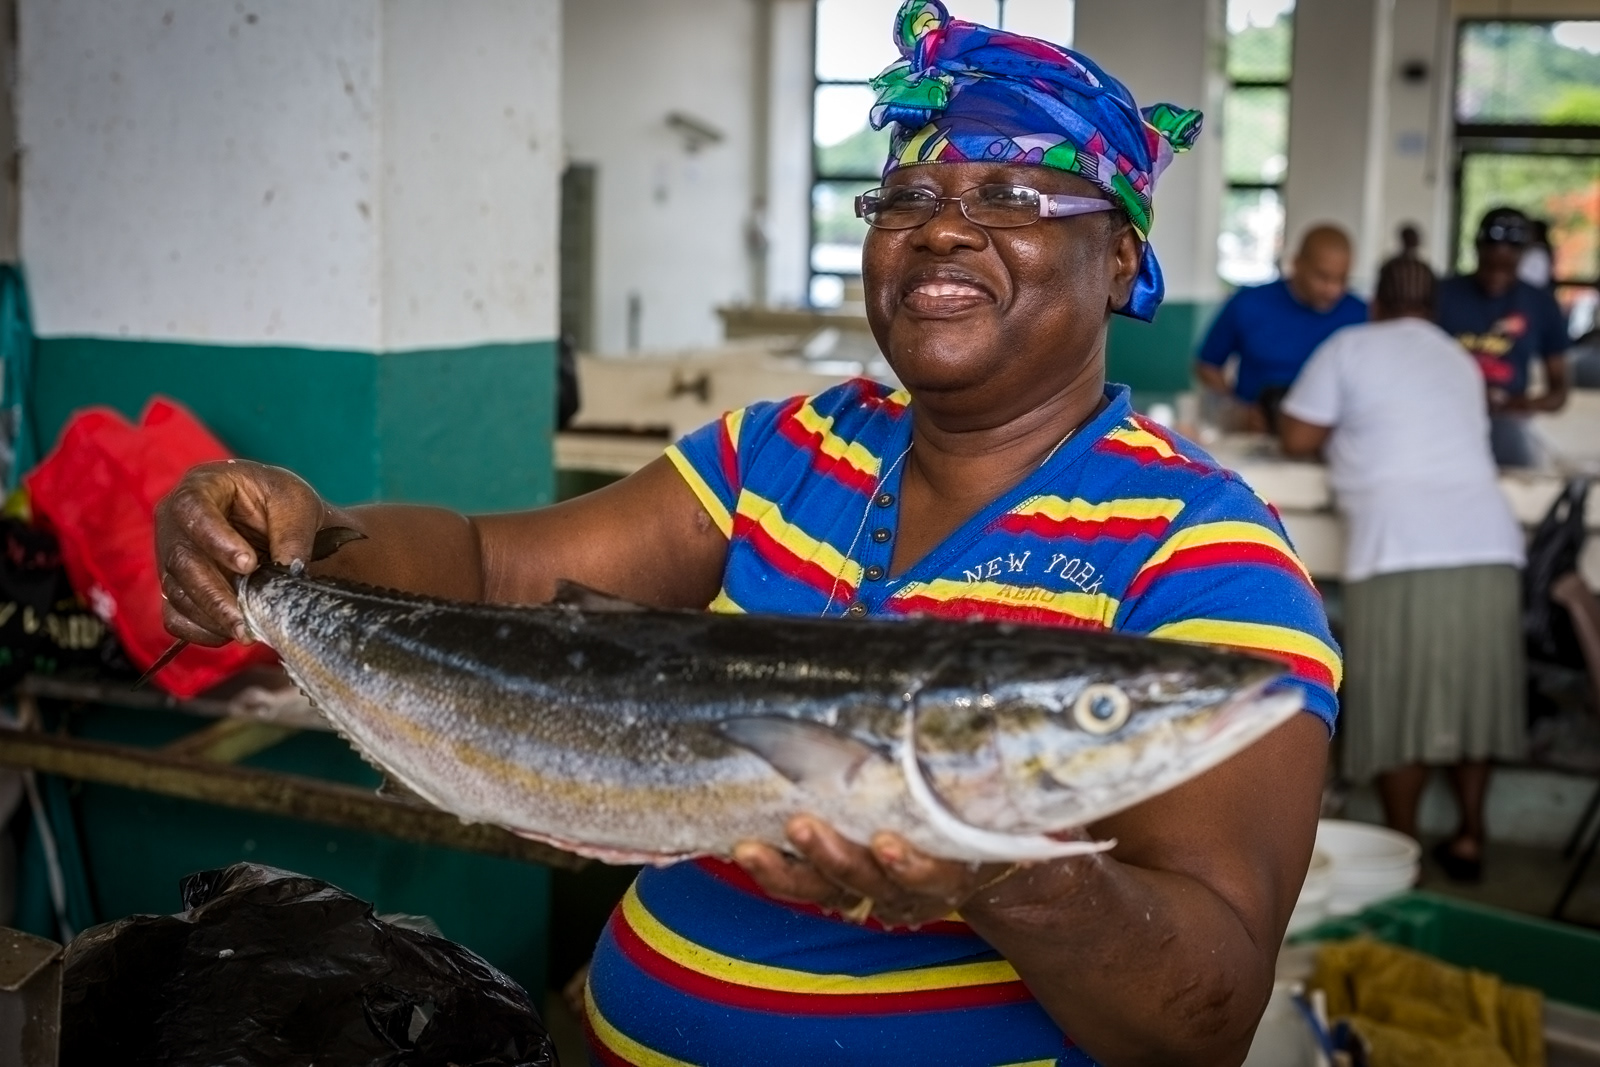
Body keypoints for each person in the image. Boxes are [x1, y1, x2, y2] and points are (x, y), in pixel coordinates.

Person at [156, 3, 1340, 1063]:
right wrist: (298, 538)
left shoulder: (1204, 551)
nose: (941, 229)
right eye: (909, 198)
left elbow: (1209, 1012)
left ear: (1122, 253)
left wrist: (998, 878)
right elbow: (482, 567)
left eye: (1013, 200)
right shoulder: (784, 448)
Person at [1279, 256, 1525, 883]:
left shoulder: (1350, 345)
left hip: (1399, 546)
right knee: (1478, 697)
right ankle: (1471, 835)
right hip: (1488, 544)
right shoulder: (1457, 357)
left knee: (1395, 704)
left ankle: (1401, 851)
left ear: (1376, 303)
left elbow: (1299, 438)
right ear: (1433, 309)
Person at [1195, 225, 1367, 431]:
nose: (1333, 289)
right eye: (1323, 277)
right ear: (1296, 264)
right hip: (1255, 436)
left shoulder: (1362, 315)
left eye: (1342, 279)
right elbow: (1208, 366)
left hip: (1332, 438)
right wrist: (1236, 409)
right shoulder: (1248, 304)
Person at [1436, 206, 1571, 468]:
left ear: (1522, 258)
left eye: (1506, 268)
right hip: (1447, 414)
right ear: (1476, 250)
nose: (1496, 276)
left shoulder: (1540, 304)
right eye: (1489, 266)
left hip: (1508, 422)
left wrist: (1512, 404)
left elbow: (1559, 393)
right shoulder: (1444, 295)